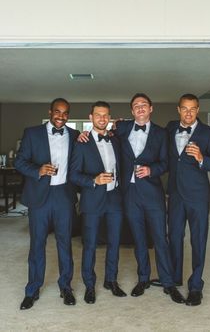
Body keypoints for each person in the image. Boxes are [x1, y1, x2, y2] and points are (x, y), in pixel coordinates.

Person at [114, 93, 185, 304]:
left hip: (153, 194)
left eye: (144, 104)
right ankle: (143, 279)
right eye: (136, 105)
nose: (140, 108)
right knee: (139, 240)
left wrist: (151, 170)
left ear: (151, 108)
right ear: (132, 110)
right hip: (129, 194)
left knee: (160, 239)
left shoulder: (162, 134)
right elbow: (104, 138)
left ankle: (168, 282)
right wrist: (83, 135)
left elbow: (166, 163)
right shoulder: (122, 128)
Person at [15, 98, 79, 309]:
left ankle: (66, 287)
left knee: (65, 243)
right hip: (39, 196)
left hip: (64, 195)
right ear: (50, 112)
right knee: (37, 244)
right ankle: (32, 289)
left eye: (65, 113)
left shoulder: (76, 135)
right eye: (58, 112)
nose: (61, 116)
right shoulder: (32, 133)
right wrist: (38, 170)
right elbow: (20, 161)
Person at [166, 93, 210, 306]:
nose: (188, 113)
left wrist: (201, 158)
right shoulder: (171, 127)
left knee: (198, 240)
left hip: (198, 196)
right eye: (185, 108)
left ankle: (196, 285)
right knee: (174, 236)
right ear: (178, 109)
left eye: (193, 109)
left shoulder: (209, 134)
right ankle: (174, 278)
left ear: (198, 110)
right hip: (175, 195)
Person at [69, 101, 126, 304]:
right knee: (90, 245)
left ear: (109, 118)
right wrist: (93, 180)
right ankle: (89, 285)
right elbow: (73, 174)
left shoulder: (115, 140)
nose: (102, 118)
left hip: (115, 199)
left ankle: (111, 280)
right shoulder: (81, 142)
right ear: (90, 117)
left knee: (114, 242)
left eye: (106, 115)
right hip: (93, 199)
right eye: (98, 115)